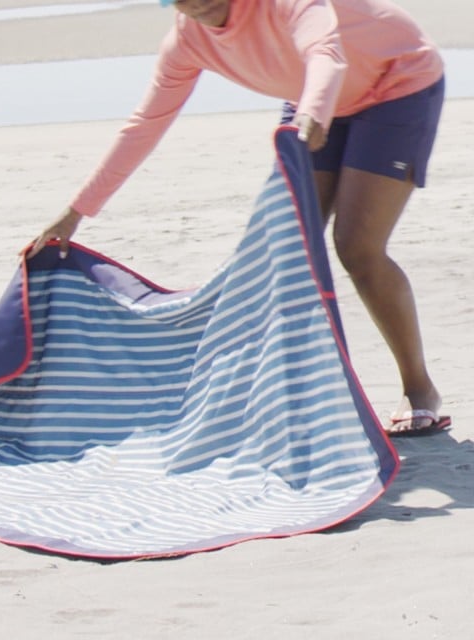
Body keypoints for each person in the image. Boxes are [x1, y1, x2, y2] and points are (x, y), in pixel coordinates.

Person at [28, 0, 450, 436]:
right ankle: (287, 398)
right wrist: (76, 213)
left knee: (357, 247)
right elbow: (145, 124)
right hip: (313, 101)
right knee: (283, 249)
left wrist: (314, 112)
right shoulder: (186, 42)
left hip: (397, 84)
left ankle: (419, 390)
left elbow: (325, 51)